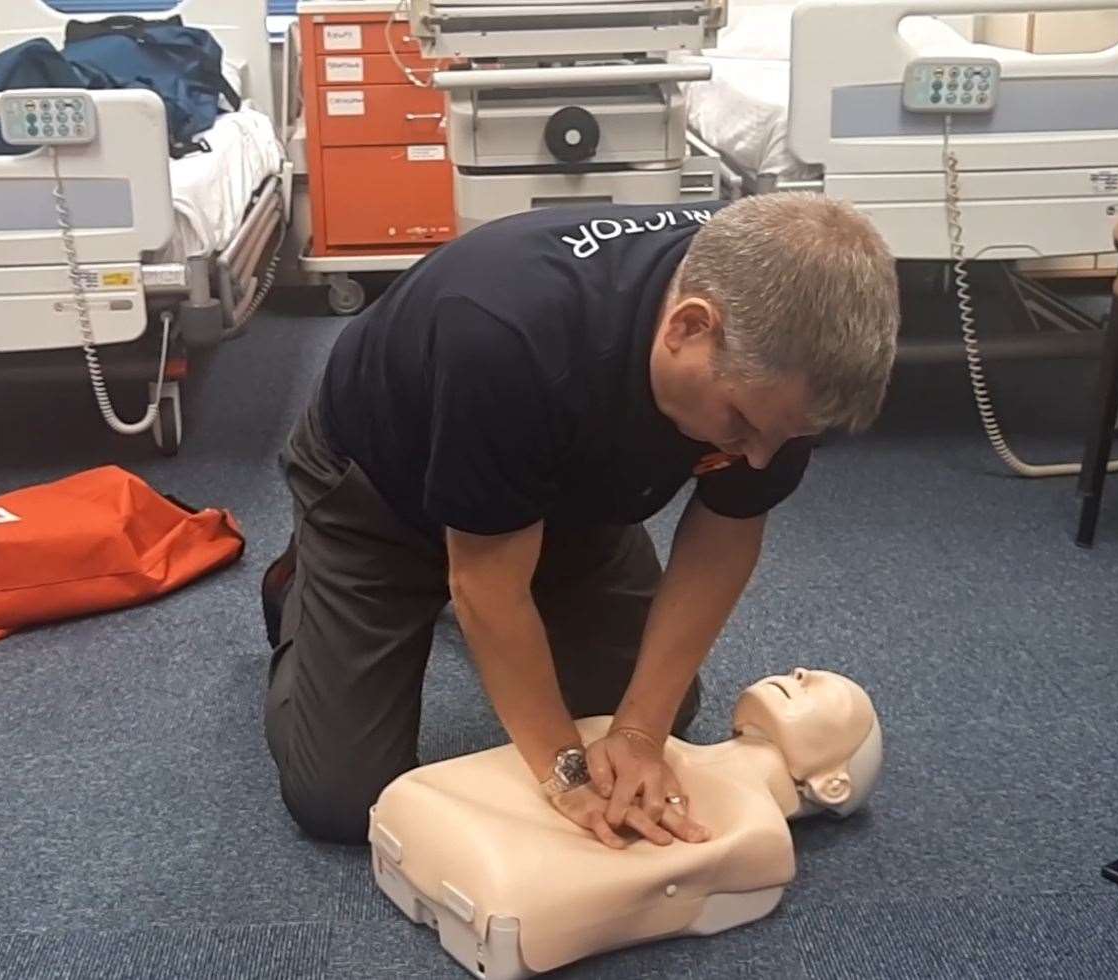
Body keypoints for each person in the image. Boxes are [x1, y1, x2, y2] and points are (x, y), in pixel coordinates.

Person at [261, 193, 900, 847]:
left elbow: (726, 534)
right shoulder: (506, 330)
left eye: (789, 440)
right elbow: (485, 584)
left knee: (664, 712)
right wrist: (566, 773)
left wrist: (640, 730)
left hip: (567, 501)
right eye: (740, 423)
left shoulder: (779, 374)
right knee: (341, 798)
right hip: (380, 501)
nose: (759, 458)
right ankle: (303, 582)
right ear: (687, 328)